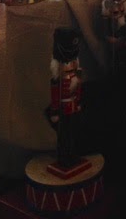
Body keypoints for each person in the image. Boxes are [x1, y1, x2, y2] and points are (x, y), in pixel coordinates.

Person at [46, 27, 83, 171]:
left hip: (72, 105)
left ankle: (72, 154)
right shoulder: (58, 70)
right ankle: (64, 157)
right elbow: (55, 92)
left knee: (73, 132)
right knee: (63, 134)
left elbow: (78, 87)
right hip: (63, 107)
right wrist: (55, 111)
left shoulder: (75, 66)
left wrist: (78, 101)